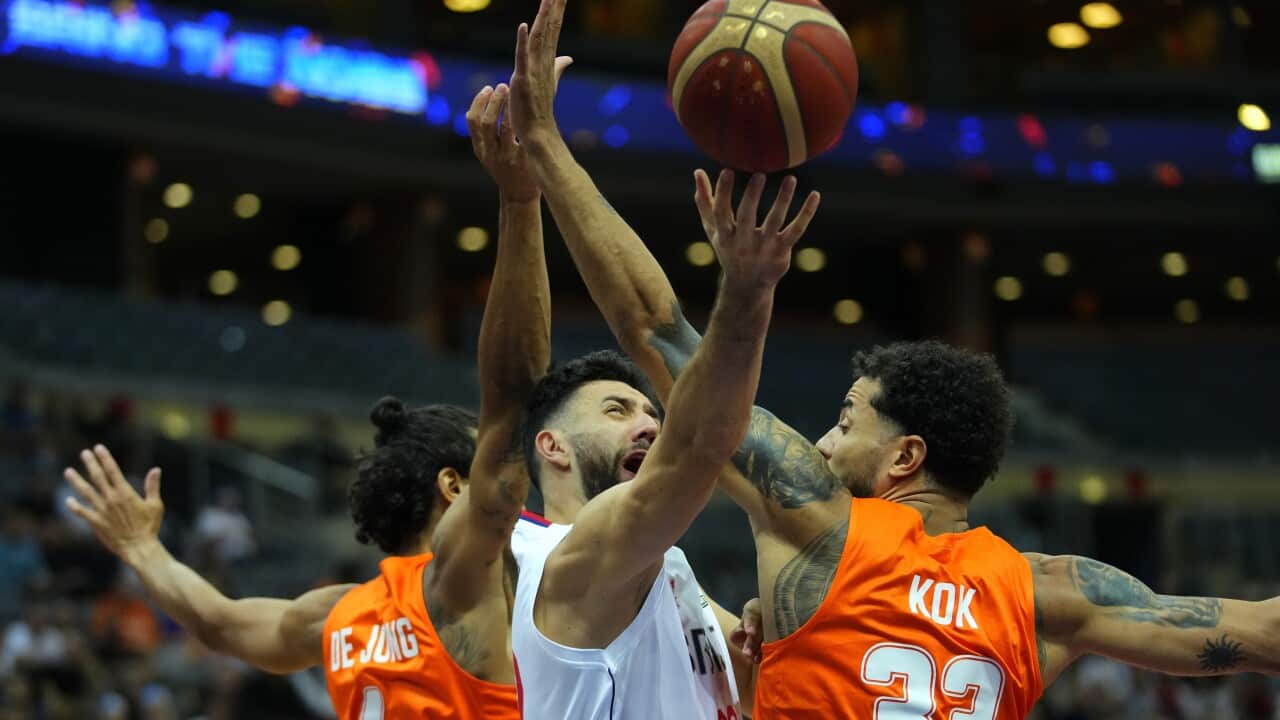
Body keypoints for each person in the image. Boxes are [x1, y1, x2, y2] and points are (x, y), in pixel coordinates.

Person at [507, 3, 1280, 716]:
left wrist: (545, 143)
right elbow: (1256, 634)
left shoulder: (816, 519)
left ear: (904, 456)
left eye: (848, 422)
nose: (824, 442)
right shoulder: (1045, 591)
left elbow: (656, 329)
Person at [61, 78, 560, 718]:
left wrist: (140, 549)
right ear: (454, 488)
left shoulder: (335, 615)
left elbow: (217, 622)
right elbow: (515, 394)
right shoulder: (463, 579)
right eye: (486, 461)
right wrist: (521, 201)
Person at [504, 6, 812, 718]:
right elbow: (700, 439)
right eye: (618, 410)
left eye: (650, 408)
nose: (649, 422)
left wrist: (753, 661)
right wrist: (747, 292)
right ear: (550, 446)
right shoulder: (559, 559)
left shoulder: (662, 566)